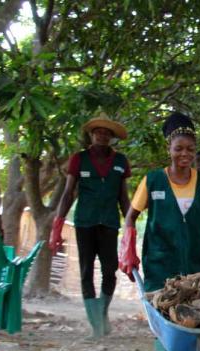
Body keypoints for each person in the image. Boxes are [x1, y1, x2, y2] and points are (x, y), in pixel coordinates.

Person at [118, 111, 200, 351]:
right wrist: (128, 249)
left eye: (190, 149)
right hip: (159, 264)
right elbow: (131, 216)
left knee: (190, 321)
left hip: (193, 266)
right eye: (179, 148)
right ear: (169, 149)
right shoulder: (152, 180)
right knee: (165, 324)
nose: (185, 154)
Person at [49, 113, 131, 339]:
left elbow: (123, 197)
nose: (102, 135)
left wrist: (130, 227)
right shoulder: (79, 158)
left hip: (109, 222)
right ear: (91, 134)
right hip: (85, 221)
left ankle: (102, 311)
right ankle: (96, 324)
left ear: (112, 137)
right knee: (86, 270)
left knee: (109, 270)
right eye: (98, 131)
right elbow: (67, 194)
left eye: (107, 132)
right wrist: (57, 224)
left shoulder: (120, 161)